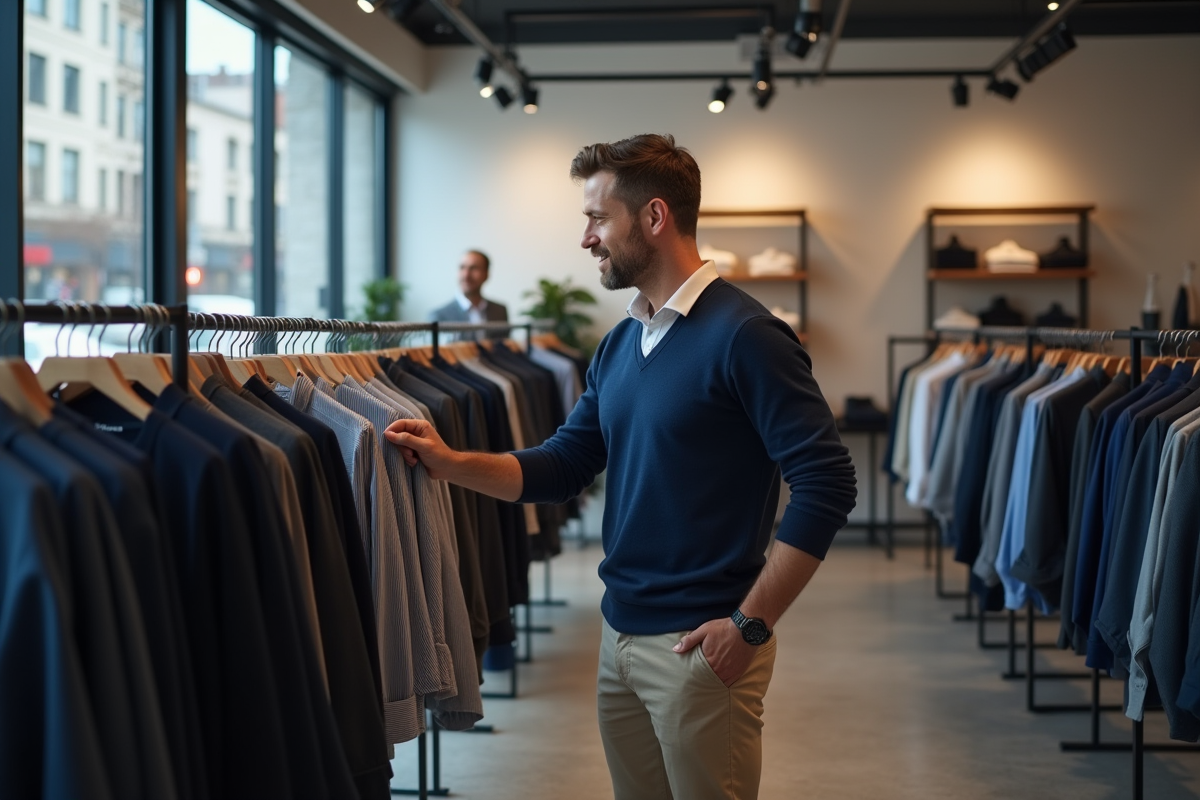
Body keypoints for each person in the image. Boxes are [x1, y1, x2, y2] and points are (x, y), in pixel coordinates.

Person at [386, 134, 856, 800]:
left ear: (654, 217)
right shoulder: (621, 341)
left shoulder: (747, 337)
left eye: (597, 218)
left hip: (701, 646)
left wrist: (749, 626)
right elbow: (564, 463)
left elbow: (828, 482)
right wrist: (446, 462)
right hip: (621, 637)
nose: (586, 238)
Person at [430, 249, 509, 339]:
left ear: (486, 274)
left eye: (473, 268)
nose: (466, 275)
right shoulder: (439, 316)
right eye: (462, 267)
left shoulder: (500, 311)